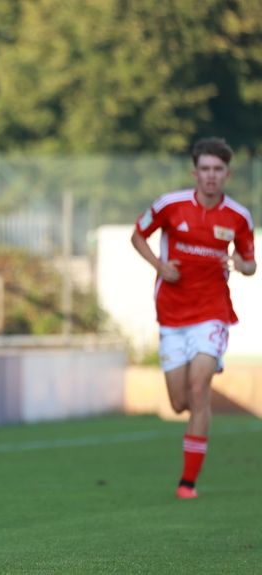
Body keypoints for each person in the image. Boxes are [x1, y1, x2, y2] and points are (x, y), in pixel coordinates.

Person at [130, 137, 255, 500]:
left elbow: (250, 264)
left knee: (200, 389)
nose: (211, 175)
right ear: (194, 173)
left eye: (218, 169)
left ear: (228, 174)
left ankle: (187, 483)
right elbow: (137, 236)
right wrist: (159, 265)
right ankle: (199, 398)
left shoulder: (238, 217)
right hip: (171, 316)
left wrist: (240, 264)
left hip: (213, 313)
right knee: (179, 403)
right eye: (205, 169)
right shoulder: (170, 205)